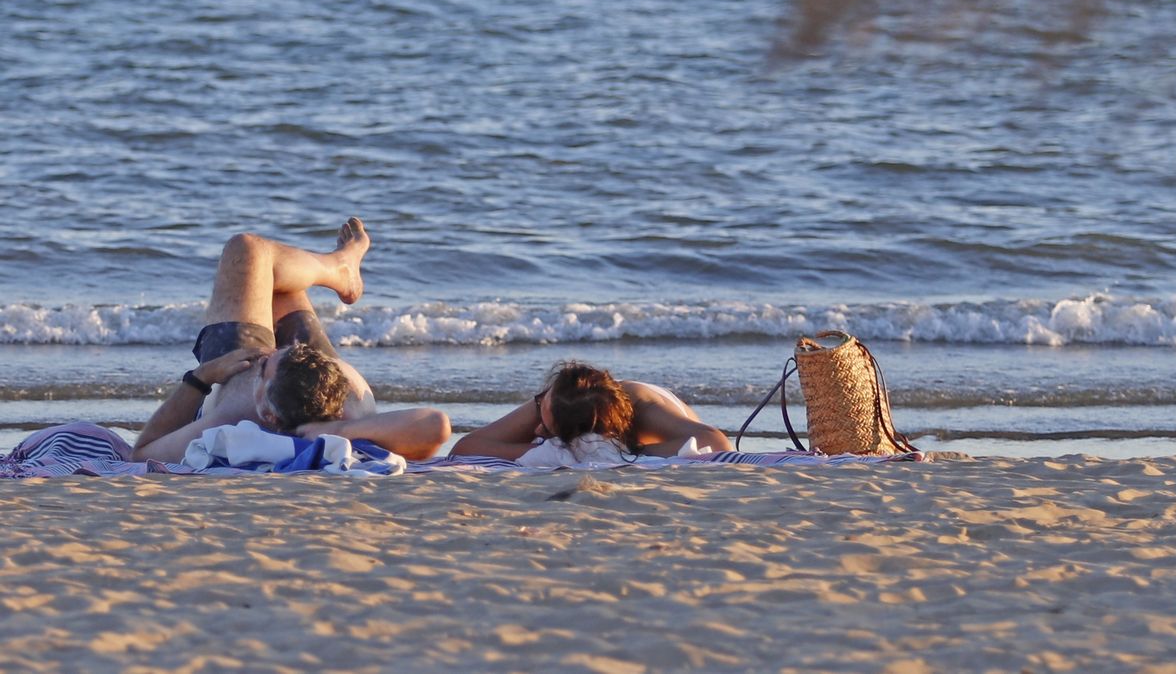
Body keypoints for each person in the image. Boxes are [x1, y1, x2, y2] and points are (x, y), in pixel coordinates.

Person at [130, 218, 450, 463]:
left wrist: (202, 378)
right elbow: (437, 426)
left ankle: (338, 267)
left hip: (233, 369)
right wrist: (338, 430)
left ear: (266, 413)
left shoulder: (231, 420)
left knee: (247, 250)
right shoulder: (352, 416)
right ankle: (341, 267)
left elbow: (143, 452)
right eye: (293, 350)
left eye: (265, 365)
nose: (278, 346)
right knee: (283, 282)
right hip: (315, 395)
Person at [453, 362, 732, 459]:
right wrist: (549, 447)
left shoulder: (642, 406)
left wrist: (624, 451)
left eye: (545, 429)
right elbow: (465, 448)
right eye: (541, 414)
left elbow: (716, 443)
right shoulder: (558, 398)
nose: (536, 429)